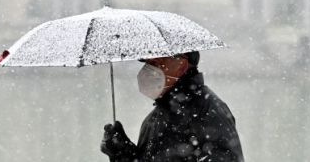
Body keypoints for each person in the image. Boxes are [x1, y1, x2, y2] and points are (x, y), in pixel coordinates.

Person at [100, 51, 244, 161]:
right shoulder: (153, 119)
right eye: (148, 63)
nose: (148, 70)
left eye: (157, 62)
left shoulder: (208, 111)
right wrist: (123, 153)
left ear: (181, 64)